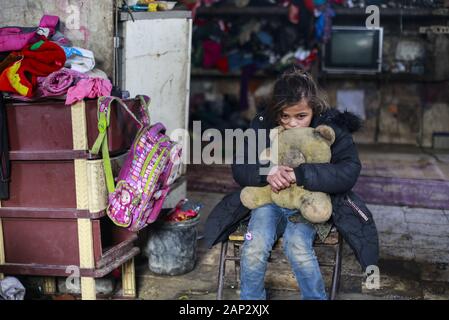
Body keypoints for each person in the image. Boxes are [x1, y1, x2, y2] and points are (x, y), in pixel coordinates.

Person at [204, 66, 379, 300]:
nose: (293, 123)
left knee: (297, 246)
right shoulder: (264, 123)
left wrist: (303, 174)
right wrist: (267, 172)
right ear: (276, 111)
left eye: (301, 116)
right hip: (269, 201)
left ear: (314, 109)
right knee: (255, 246)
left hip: (308, 204)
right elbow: (240, 165)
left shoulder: (331, 126)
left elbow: (349, 171)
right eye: (284, 117)